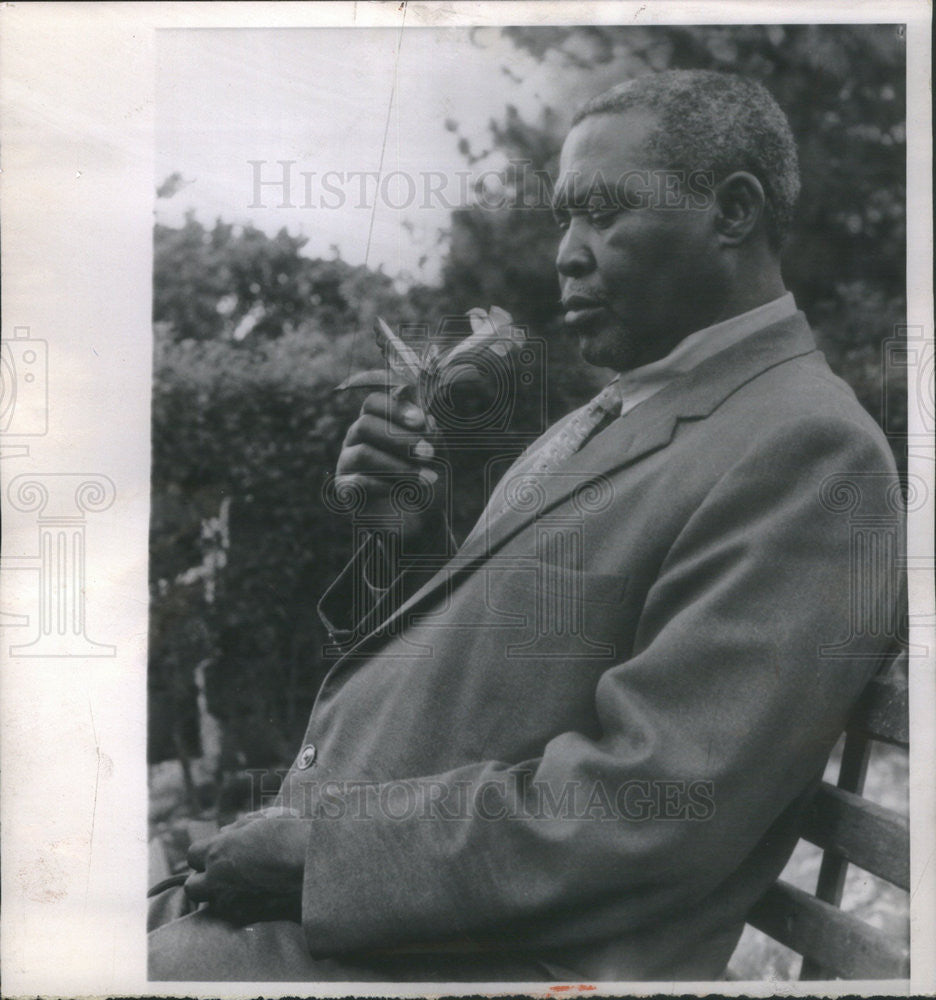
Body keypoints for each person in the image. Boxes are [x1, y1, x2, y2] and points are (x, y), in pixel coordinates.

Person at [149, 69, 903, 982]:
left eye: (604, 213)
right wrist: (413, 536)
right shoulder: (628, 409)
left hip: (457, 959)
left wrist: (316, 857)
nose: (567, 255)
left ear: (733, 213)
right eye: (563, 220)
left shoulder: (809, 450)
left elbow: (651, 807)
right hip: (369, 930)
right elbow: (507, 668)